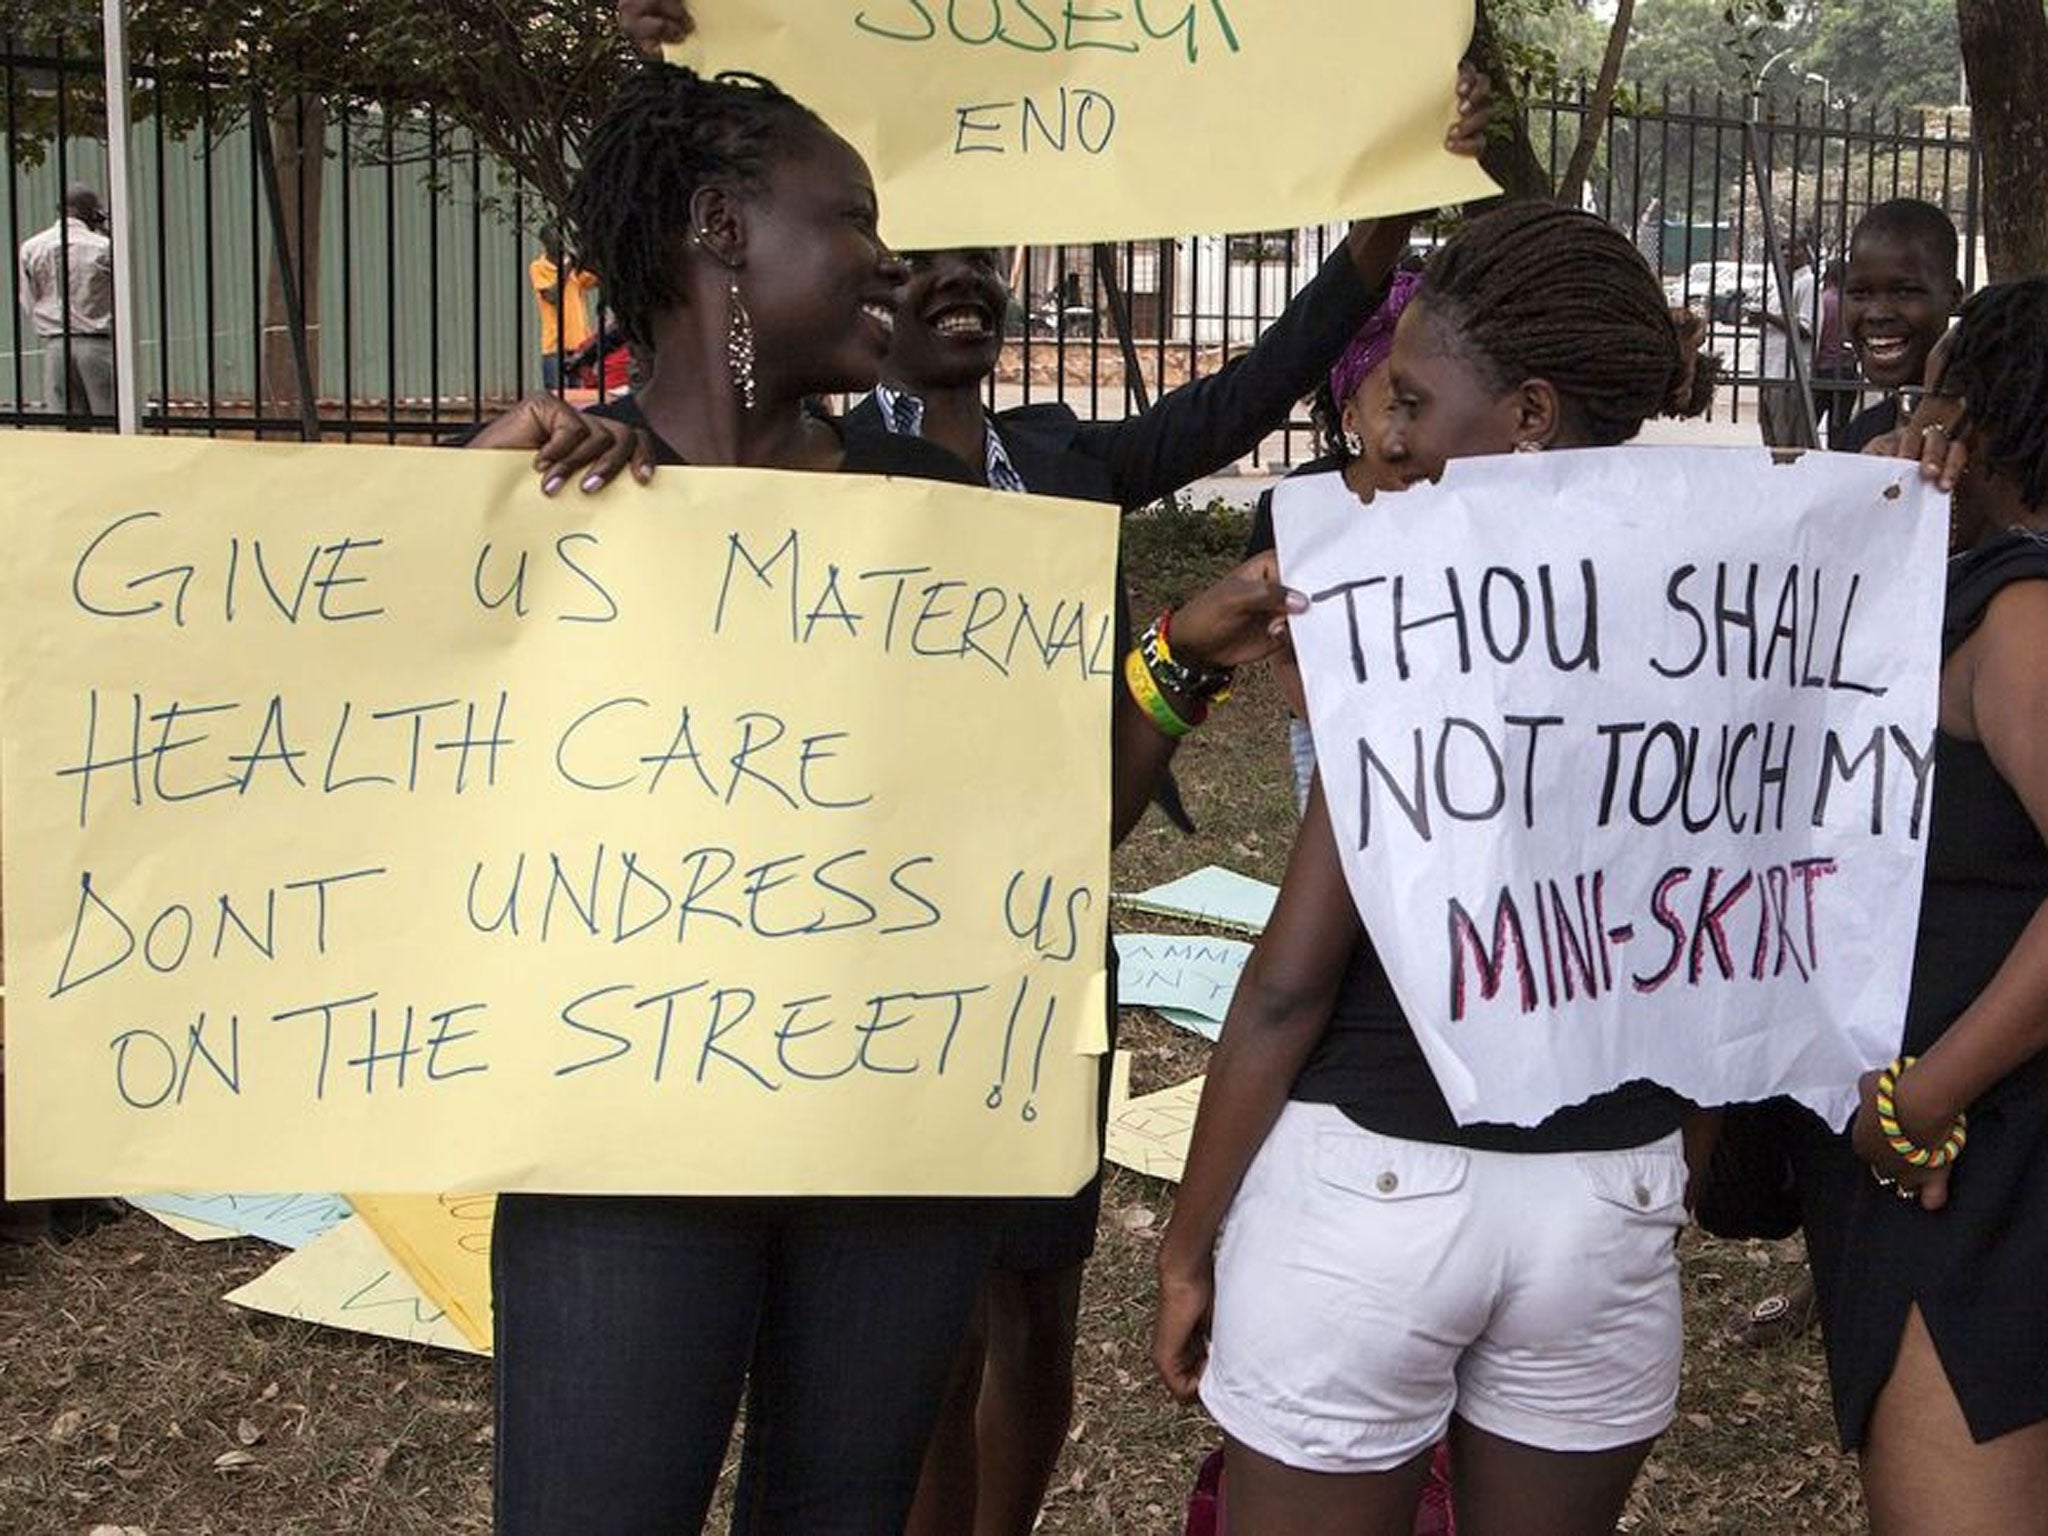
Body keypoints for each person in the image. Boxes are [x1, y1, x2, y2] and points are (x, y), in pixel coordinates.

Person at [465, 63, 1297, 1536]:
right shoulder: (550, 495)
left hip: (889, 1148)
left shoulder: (934, 505)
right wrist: (467, 523)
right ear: (719, 229)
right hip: (626, 1156)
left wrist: (1177, 660)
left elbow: (1042, 829)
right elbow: (397, 786)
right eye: (849, 218)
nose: (889, 260)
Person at [1151, 203, 1711, 1536]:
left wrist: (1187, 1242)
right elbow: (1716, 958)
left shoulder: (1427, 639)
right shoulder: (1718, 626)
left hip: (1374, 1198)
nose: (1377, 434)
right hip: (1610, 1195)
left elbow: (1291, 988)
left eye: (1408, 398)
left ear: (1525, 414)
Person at [1800, 278, 2048, 1534]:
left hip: (1984, 1169)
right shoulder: (1960, 585)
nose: (1917, 422)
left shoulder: (2020, 614)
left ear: (1991, 423)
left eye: (1938, 396)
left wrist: (1925, 1094)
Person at [1241, 268, 1421, 811]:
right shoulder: (1298, 508)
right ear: (1350, 417)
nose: (1414, 428)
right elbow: (1281, 649)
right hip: (1329, 735)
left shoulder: (1454, 500)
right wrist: (1339, 728)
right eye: (1395, 406)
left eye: (1428, 404)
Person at [1835, 198, 1962, 454]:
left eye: (1904, 292)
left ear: (1953, 297)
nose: (1877, 314)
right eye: (1860, 293)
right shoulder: (1862, 433)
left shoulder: (2002, 437)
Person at [17, 183, 115, 420]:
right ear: (93, 212)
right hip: (96, 343)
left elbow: (27, 299)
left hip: (56, 344)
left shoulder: (32, 247)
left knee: (64, 425)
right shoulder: (104, 247)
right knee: (109, 420)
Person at [1752, 232, 1816, 449]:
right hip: (1770, 372)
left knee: (1786, 441)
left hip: (1788, 375)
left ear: (1805, 252)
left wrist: (1767, 317)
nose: (1786, 254)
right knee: (1771, 440)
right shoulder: (1781, 284)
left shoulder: (1807, 284)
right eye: (1782, 249)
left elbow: (1807, 329)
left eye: (1792, 249)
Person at [529, 223, 601, 391]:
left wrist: (586, 254)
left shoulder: (574, 268)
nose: (560, 241)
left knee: (578, 398)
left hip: (579, 343)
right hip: (555, 344)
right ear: (544, 241)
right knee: (557, 397)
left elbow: (594, 280)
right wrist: (568, 266)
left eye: (562, 237)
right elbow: (552, 297)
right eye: (555, 237)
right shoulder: (538, 267)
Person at [1814, 258, 1857, 445]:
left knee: (1809, 423)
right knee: (1839, 430)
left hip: (1823, 370)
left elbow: (1816, 336)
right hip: (1846, 370)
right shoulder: (1850, 303)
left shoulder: (1822, 301)